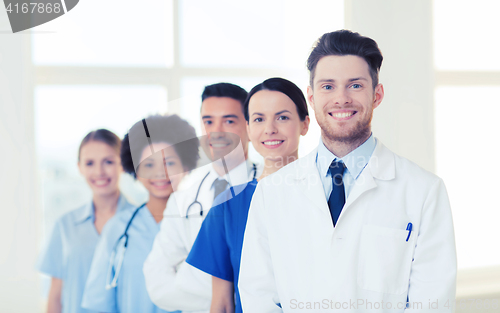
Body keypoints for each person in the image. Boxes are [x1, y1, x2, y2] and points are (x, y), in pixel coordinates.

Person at [238, 30, 457, 312]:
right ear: (312, 97)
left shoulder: (424, 191)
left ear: (377, 95)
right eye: (328, 87)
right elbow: (258, 296)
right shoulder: (271, 193)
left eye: (355, 86)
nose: (341, 99)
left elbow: (432, 304)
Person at [186, 77, 310, 313]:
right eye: (259, 119)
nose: (270, 129)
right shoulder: (228, 205)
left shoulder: (328, 195)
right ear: (249, 129)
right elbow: (222, 304)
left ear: (305, 124)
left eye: (282, 117)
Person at [143, 83, 261, 313]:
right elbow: (156, 279)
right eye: (208, 121)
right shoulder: (183, 198)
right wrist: (226, 294)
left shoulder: (267, 187)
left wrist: (191, 277)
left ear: (248, 126)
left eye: (228, 121)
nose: (216, 131)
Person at [81, 114, 199, 313]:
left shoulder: (201, 225)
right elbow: (97, 303)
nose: (160, 173)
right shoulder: (118, 228)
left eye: (169, 163)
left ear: (185, 166)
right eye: (149, 164)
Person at [36, 129, 134, 313]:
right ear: (79, 167)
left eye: (108, 162)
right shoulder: (65, 226)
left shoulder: (141, 222)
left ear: (122, 164)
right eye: (90, 163)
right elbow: (55, 296)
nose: (99, 171)